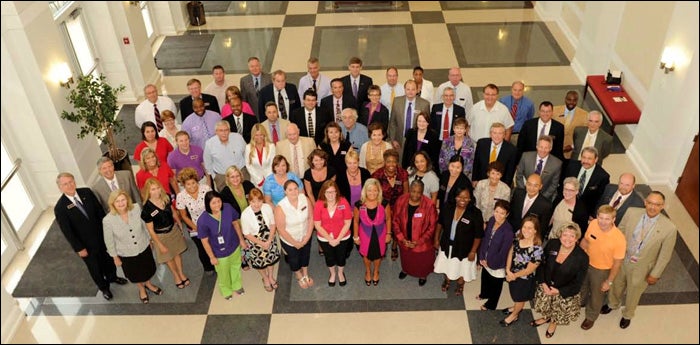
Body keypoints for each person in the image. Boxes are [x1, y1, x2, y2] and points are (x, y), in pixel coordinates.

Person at [602, 191, 678, 329]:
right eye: (650, 203)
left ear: (662, 206)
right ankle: (612, 303)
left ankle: (627, 314)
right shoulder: (632, 212)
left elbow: (665, 255)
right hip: (622, 259)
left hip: (643, 267)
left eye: (657, 204)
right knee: (616, 284)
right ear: (645, 202)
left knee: (634, 292)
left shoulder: (670, 228)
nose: (652, 207)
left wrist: (655, 274)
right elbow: (620, 231)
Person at [54, 172, 127, 301]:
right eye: (65, 184)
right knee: (95, 267)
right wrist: (79, 248)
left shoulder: (86, 192)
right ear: (60, 187)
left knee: (108, 259)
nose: (70, 185)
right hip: (85, 245)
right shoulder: (60, 207)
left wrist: (109, 231)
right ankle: (104, 287)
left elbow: (99, 212)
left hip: (102, 236)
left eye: (71, 181)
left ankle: (112, 277)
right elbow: (68, 231)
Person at [102, 190, 161, 304]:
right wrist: (115, 257)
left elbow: (144, 224)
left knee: (147, 268)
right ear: (112, 203)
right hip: (126, 253)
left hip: (143, 246)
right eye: (117, 201)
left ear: (127, 200)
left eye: (123, 200)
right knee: (135, 273)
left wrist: (149, 239)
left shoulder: (136, 208)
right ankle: (141, 288)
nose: (121, 203)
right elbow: (109, 241)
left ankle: (148, 284)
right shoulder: (108, 220)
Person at [532, 223, 589, 338]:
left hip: (564, 292)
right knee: (546, 306)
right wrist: (543, 283)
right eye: (565, 235)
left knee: (557, 311)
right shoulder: (552, 244)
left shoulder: (582, 257)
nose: (567, 239)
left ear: (577, 238)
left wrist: (559, 291)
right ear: (560, 235)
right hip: (546, 286)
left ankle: (553, 323)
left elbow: (578, 283)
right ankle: (546, 317)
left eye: (572, 236)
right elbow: (542, 264)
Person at [579, 205, 626, 331]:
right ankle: (579, 303)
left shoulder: (619, 239)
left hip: (601, 270)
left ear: (613, 219)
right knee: (581, 286)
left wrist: (609, 281)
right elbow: (586, 240)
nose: (602, 222)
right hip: (586, 262)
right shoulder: (593, 223)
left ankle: (591, 316)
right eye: (601, 218)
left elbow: (617, 263)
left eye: (607, 219)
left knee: (597, 294)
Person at [140, 178, 189, 289]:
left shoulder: (166, 197)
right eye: (153, 189)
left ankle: (181, 273)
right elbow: (150, 230)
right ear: (148, 191)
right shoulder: (147, 209)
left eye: (158, 188)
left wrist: (179, 224)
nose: (156, 191)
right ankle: (176, 276)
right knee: (168, 257)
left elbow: (173, 212)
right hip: (160, 236)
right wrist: (159, 244)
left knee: (177, 253)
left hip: (173, 230)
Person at [197, 191, 247, 300]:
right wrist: (211, 257)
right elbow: (204, 241)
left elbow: (235, 224)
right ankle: (226, 290)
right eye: (213, 203)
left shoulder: (228, 208)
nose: (217, 205)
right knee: (223, 273)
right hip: (219, 252)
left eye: (219, 201)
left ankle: (237, 285)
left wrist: (241, 240)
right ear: (207, 204)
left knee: (236, 266)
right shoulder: (203, 220)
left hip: (233, 245)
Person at [434, 187, 483, 295]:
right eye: (460, 196)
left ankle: (460, 284)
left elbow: (478, 235)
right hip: (447, 244)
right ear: (455, 197)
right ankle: (447, 280)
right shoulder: (447, 207)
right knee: (447, 264)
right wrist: (436, 239)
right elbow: (440, 224)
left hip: (465, 249)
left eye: (466, 197)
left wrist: (473, 251)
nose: (462, 199)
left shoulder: (475, 213)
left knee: (462, 268)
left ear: (470, 199)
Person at [500, 216, 543, 326]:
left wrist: (513, 275)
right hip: (512, 273)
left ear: (535, 230)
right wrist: (508, 269)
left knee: (520, 299)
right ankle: (515, 307)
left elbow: (529, 270)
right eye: (524, 227)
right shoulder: (519, 235)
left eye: (530, 228)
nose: (526, 230)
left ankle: (514, 315)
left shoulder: (537, 249)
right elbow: (511, 251)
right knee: (515, 295)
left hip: (524, 279)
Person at [393, 180, 437, 286]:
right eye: (413, 191)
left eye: (419, 192)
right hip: (405, 239)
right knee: (406, 258)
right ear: (409, 190)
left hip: (422, 242)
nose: (415, 195)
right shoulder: (401, 200)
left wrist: (419, 241)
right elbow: (395, 221)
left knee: (422, 261)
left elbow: (432, 227)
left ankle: (423, 275)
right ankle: (406, 270)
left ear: (422, 193)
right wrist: (402, 238)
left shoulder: (429, 205)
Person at [275, 180, 315, 289]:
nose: (293, 192)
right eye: (290, 189)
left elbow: (311, 218)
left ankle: (305, 273)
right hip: (290, 240)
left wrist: (307, 237)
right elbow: (281, 229)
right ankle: (298, 274)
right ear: (285, 192)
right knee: (294, 258)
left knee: (305, 254)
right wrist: (295, 243)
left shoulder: (305, 199)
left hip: (305, 235)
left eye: (295, 188)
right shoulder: (281, 207)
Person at [176, 168, 216, 274]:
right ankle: (208, 267)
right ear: (183, 185)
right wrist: (197, 228)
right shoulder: (181, 197)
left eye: (193, 183)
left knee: (215, 245)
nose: (192, 186)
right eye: (188, 184)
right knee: (202, 249)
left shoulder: (206, 189)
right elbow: (184, 216)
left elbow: (214, 205)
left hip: (211, 223)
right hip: (195, 226)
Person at [240, 188, 281, 292]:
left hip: (269, 237)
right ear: (249, 201)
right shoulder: (245, 214)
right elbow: (247, 234)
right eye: (253, 201)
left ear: (262, 200)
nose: (257, 204)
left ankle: (271, 276)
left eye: (259, 200)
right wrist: (261, 243)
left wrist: (269, 240)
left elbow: (273, 224)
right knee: (260, 262)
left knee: (270, 259)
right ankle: (265, 278)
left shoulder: (267, 207)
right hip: (255, 241)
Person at [313, 180, 353, 286]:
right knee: (329, 257)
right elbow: (317, 225)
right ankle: (332, 274)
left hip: (342, 237)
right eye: (328, 192)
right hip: (325, 238)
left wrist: (338, 239)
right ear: (323, 193)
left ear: (336, 192)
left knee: (341, 256)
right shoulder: (319, 204)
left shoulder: (343, 202)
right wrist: (330, 239)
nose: (330, 195)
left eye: (333, 192)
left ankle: (340, 273)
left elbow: (348, 222)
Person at [372, 149, 409, 261]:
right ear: (384, 161)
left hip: (399, 207)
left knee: (397, 229)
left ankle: (394, 247)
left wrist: (403, 209)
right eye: (388, 161)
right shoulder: (376, 175)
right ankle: (382, 248)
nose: (391, 164)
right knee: (382, 230)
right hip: (382, 207)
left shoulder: (403, 173)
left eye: (394, 161)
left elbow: (406, 193)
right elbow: (374, 194)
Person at [477, 199, 515, 310]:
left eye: (502, 213)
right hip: (486, 257)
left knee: (496, 285)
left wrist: (491, 263)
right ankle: (484, 294)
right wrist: (482, 256)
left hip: (497, 263)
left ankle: (491, 304)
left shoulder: (508, 231)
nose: (498, 215)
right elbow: (485, 239)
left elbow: (503, 252)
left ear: (507, 214)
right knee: (485, 278)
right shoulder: (492, 220)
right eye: (496, 211)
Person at [353, 178, 391, 286]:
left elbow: (388, 219)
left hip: (380, 234)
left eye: (375, 190)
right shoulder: (359, 204)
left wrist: (389, 233)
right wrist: (356, 237)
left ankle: (376, 271)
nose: (372, 193)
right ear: (365, 191)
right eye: (370, 190)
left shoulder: (384, 203)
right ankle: (368, 271)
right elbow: (355, 221)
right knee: (366, 254)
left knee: (378, 255)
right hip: (365, 234)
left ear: (379, 191)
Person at [564, 146, 610, 218]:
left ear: (596, 159)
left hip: (585, 211)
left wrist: (593, 215)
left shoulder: (603, 176)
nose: (585, 161)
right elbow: (562, 185)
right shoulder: (571, 166)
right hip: (566, 203)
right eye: (584, 157)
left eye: (589, 159)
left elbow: (600, 198)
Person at [514, 135, 562, 202]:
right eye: (541, 147)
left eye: (546, 148)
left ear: (550, 148)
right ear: (537, 146)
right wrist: (524, 193)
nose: (543, 150)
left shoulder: (557, 164)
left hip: (543, 197)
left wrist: (540, 199)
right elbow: (519, 175)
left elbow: (553, 185)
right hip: (524, 192)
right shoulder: (525, 156)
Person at [203, 120, 247, 192]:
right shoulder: (209, 144)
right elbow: (208, 163)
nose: (224, 133)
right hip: (222, 177)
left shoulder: (238, 137)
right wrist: (215, 177)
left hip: (241, 174)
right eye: (221, 130)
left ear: (229, 130)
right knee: (227, 201)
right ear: (216, 132)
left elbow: (246, 154)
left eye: (226, 130)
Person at [388, 80, 431, 152]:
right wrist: (393, 139)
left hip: (417, 140)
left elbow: (427, 125)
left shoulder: (425, 104)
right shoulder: (397, 101)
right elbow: (392, 122)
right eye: (408, 89)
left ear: (417, 90)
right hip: (399, 141)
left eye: (413, 89)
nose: (410, 92)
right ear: (404, 90)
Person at [552, 90, 588, 160]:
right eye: (569, 100)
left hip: (570, 152)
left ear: (577, 101)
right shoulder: (554, 110)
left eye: (574, 100)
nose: (571, 102)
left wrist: (572, 146)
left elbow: (583, 135)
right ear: (565, 99)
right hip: (554, 149)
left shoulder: (585, 115)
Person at [245, 124, 276, 188]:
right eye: (256, 135)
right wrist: (259, 180)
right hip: (255, 181)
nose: (259, 137)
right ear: (253, 136)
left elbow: (273, 164)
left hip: (270, 180)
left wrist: (268, 180)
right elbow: (248, 166)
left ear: (264, 135)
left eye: (261, 134)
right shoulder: (248, 147)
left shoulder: (271, 146)